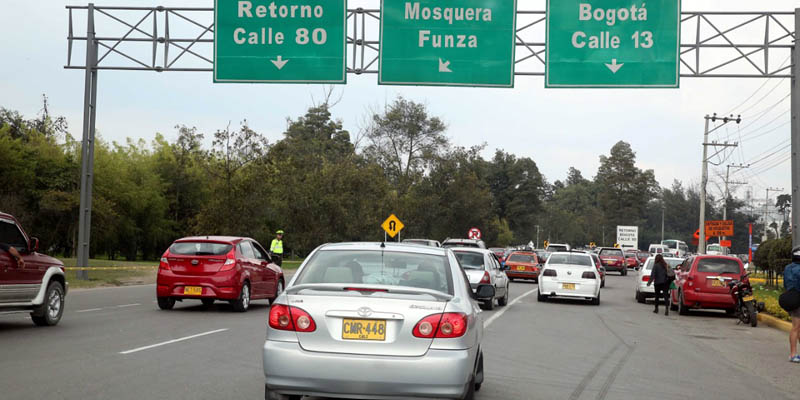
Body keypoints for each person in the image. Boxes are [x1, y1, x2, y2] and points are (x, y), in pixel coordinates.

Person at [784, 246, 800, 363]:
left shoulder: (788, 268)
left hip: (791, 298)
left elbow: (785, 284)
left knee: (796, 327)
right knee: (796, 328)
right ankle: (793, 354)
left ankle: (793, 353)